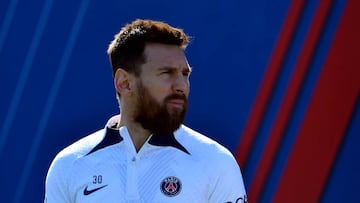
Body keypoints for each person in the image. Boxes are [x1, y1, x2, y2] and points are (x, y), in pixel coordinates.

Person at [45, 19, 247, 203]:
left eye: (185, 74)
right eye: (166, 73)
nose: (181, 86)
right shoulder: (70, 164)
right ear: (124, 83)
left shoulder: (216, 162)